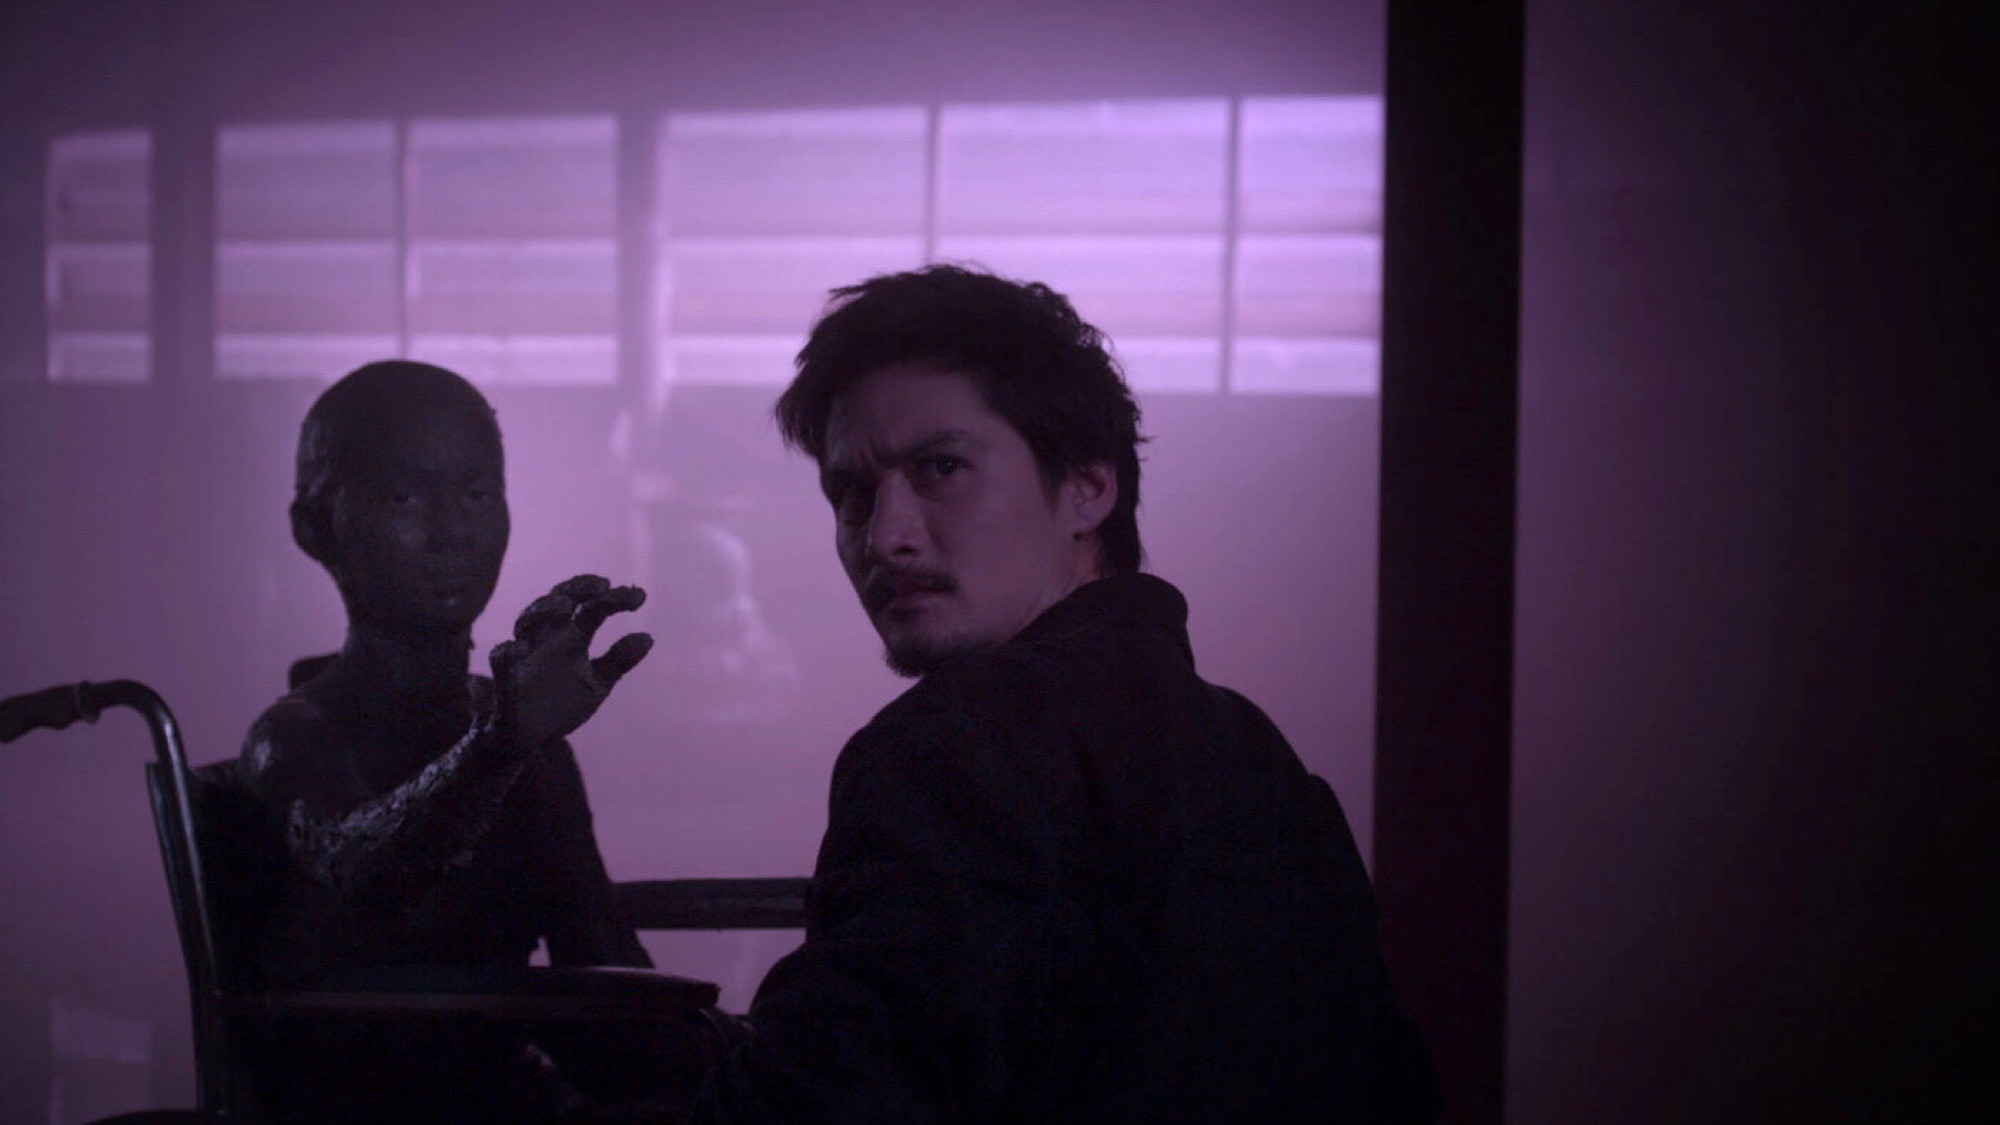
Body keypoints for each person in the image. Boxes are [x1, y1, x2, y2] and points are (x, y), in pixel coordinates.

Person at [674, 265, 1435, 1120]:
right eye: (851, 493)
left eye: (941, 467)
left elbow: (821, 1100)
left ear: (1088, 486)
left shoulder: (960, 740)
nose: (884, 537)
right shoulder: (1261, 757)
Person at [238, 360, 670, 1121]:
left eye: (476, 495)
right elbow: (361, 871)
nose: (452, 532)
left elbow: (603, 968)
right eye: (403, 498)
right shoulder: (294, 737)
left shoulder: (528, 741)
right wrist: (499, 751)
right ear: (314, 528)